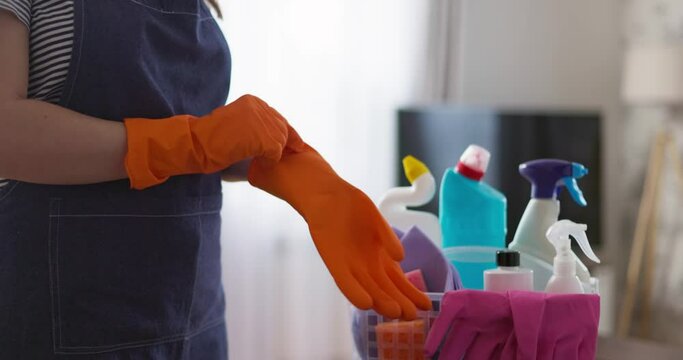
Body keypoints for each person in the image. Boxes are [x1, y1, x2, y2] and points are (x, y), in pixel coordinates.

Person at [0, 0, 430, 358]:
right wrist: (189, 141)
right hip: (68, 329)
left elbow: (200, 144)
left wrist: (298, 174)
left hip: (195, 325)